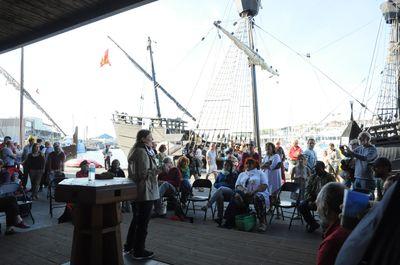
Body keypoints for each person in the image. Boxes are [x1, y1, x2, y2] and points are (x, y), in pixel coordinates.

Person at [124, 129, 159, 260]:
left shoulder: (134, 150)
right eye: (150, 138)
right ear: (143, 139)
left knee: (136, 220)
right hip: (145, 191)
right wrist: (159, 170)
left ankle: (129, 246)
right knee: (143, 222)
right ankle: (139, 250)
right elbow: (143, 174)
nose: (152, 140)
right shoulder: (142, 152)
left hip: (136, 190)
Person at [223, 158, 269, 232]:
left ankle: (262, 222)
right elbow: (237, 185)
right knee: (236, 195)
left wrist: (254, 191)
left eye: (251, 163)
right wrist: (244, 191)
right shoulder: (242, 174)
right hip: (244, 194)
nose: (248, 164)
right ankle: (230, 220)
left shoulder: (260, 173)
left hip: (257, 193)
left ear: (254, 164)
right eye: (247, 163)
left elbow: (264, 185)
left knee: (258, 197)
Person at [316, 182, 350, 265]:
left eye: (318, 204)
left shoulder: (331, 243)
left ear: (325, 207)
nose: (317, 210)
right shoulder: (353, 227)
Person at [298, 161, 336, 233]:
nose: (316, 170)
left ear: (323, 168)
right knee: (301, 206)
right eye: (315, 168)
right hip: (314, 198)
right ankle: (313, 224)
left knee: (327, 209)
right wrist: (309, 199)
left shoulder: (330, 177)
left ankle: (327, 228)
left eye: (318, 168)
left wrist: (321, 201)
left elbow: (333, 191)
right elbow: (307, 189)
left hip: (325, 200)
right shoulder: (313, 177)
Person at [201, 160, 238, 225]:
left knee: (221, 189)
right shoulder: (221, 174)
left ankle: (208, 205)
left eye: (228, 165)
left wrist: (222, 185)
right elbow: (215, 184)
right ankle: (220, 217)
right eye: (225, 165)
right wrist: (220, 185)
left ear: (231, 166)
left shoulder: (234, 174)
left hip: (230, 192)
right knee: (219, 196)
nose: (226, 167)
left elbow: (233, 186)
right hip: (221, 192)